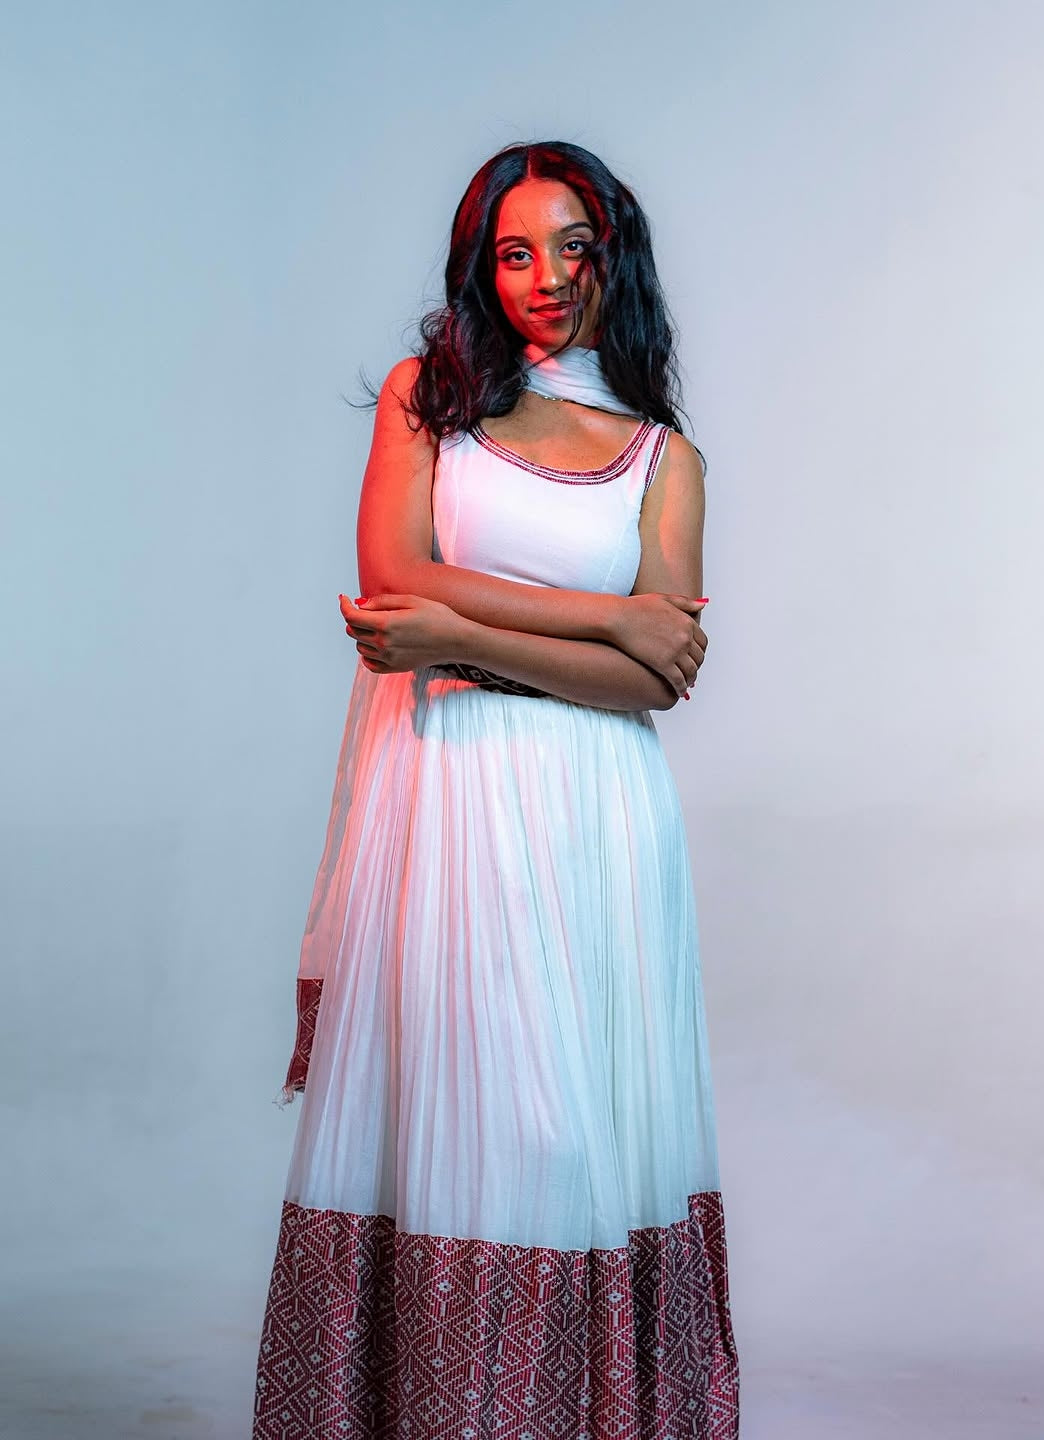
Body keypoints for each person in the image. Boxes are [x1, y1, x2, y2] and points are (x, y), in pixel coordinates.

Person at [251, 139, 739, 1439]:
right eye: (514, 250)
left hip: (602, 827)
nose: (544, 277)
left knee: (584, 1149)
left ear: (613, 256)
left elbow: (657, 681)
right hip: (453, 815)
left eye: (572, 246)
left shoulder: (661, 456)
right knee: (480, 1138)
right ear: (483, 265)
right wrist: (611, 618)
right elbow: (392, 573)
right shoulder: (427, 400)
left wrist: (469, 642)